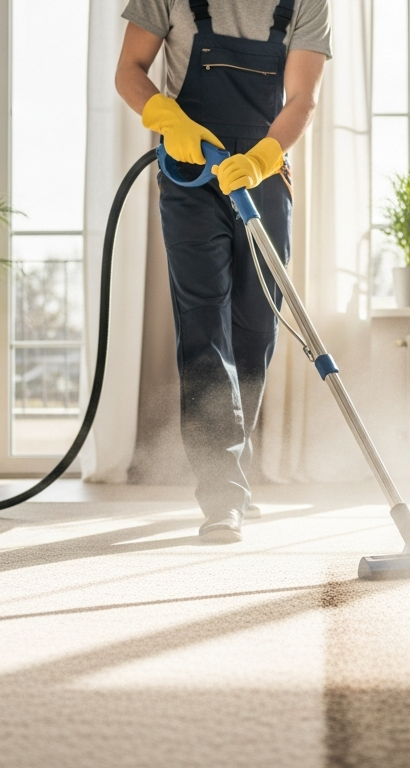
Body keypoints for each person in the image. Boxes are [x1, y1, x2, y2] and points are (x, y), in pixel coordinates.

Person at [115, 0, 330, 543]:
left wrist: (261, 159)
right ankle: (221, 492)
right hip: (191, 169)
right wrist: (167, 117)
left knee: (257, 326)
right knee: (205, 324)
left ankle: (234, 471)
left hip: (261, 166)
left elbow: (303, 97)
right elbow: (129, 70)